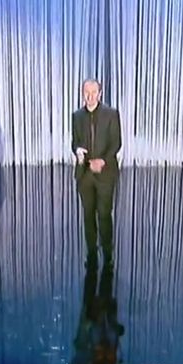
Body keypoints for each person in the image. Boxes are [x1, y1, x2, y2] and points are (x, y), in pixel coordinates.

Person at [71, 79, 122, 270]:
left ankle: (108, 254)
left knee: (104, 215)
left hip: (105, 173)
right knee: (88, 215)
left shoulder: (111, 114)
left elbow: (116, 143)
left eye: (94, 92)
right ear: (82, 94)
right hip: (84, 174)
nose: (90, 96)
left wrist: (103, 161)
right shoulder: (77, 116)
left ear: (100, 94)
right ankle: (91, 253)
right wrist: (77, 151)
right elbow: (75, 142)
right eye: (86, 92)